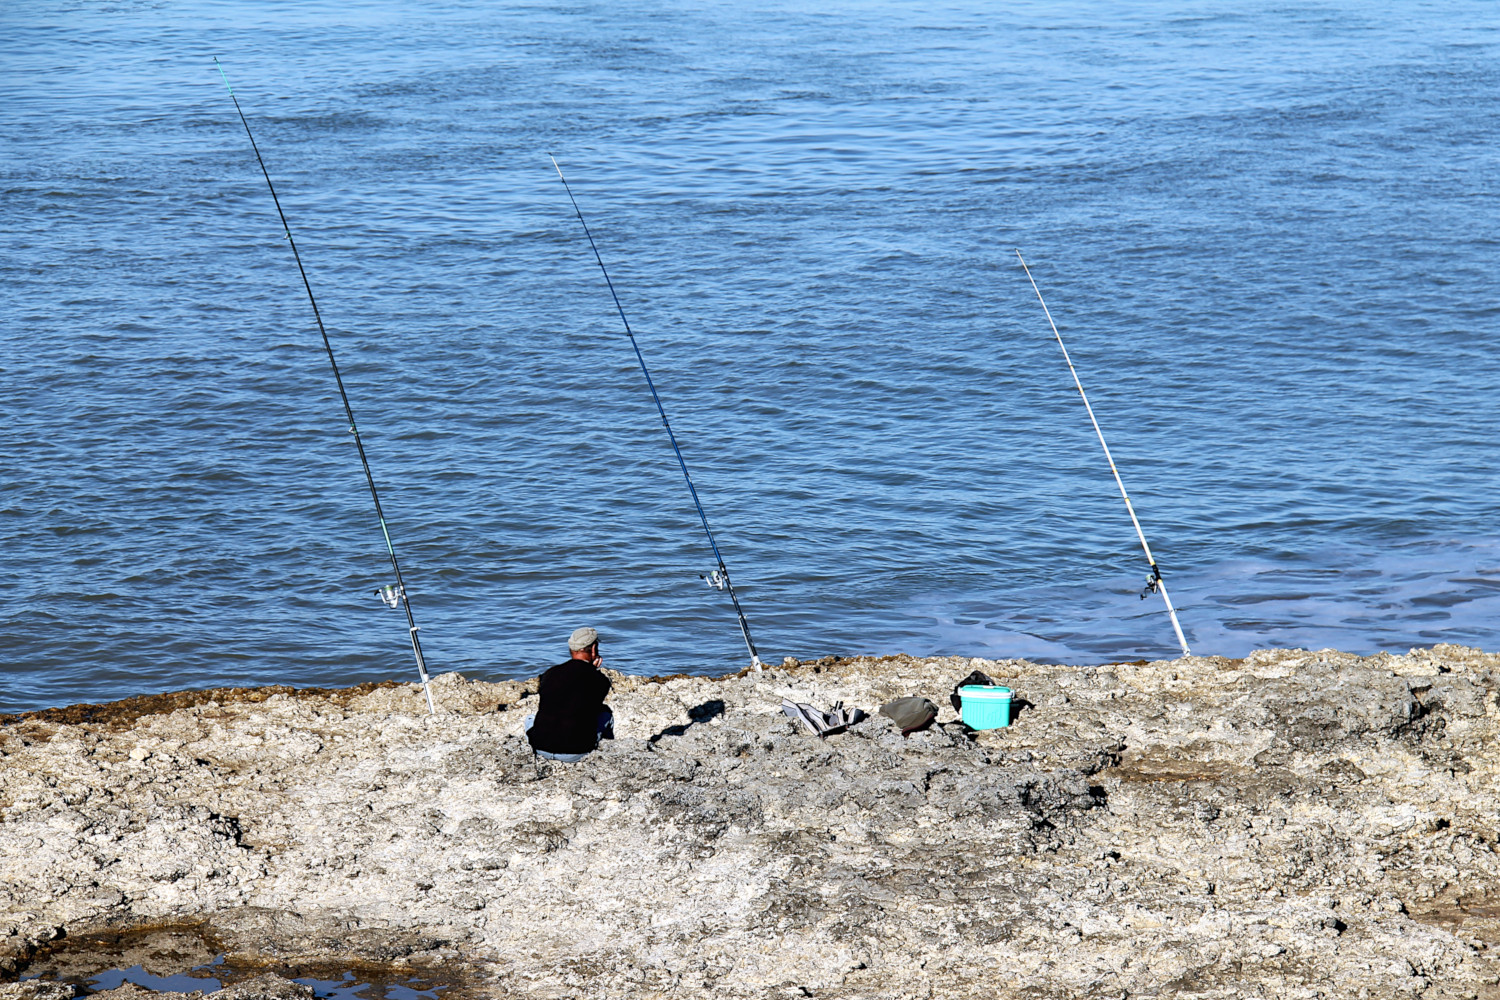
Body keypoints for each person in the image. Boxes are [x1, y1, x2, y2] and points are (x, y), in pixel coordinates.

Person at [525, 626, 614, 762]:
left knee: (530, 719)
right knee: (606, 714)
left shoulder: (549, 674)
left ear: (571, 649)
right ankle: (606, 755)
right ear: (594, 649)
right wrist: (593, 671)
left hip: (540, 747)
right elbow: (592, 707)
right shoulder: (600, 681)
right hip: (575, 752)